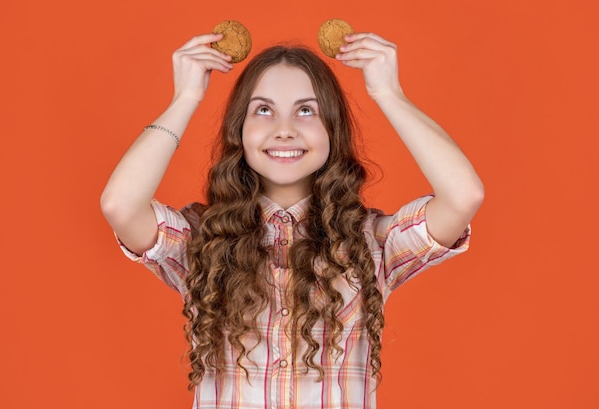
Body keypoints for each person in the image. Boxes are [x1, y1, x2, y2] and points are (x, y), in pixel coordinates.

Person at [101, 31, 483, 409]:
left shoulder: (370, 242)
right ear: (240, 131)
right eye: (263, 110)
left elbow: (462, 196)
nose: (284, 130)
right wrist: (185, 99)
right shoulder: (204, 239)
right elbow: (121, 205)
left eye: (306, 110)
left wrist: (389, 95)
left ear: (332, 130)